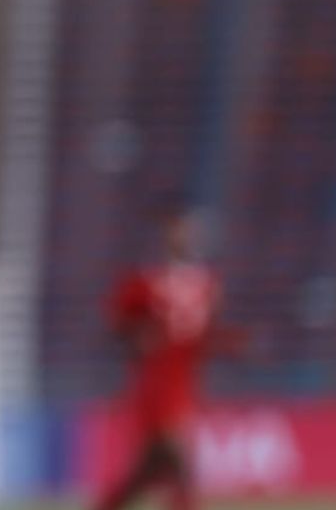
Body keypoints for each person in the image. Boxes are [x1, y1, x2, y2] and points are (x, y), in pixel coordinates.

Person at [93, 205, 232, 510]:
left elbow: (201, 338)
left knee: (148, 474)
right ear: (165, 234)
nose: (184, 236)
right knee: (180, 464)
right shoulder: (147, 281)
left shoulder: (207, 284)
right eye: (178, 229)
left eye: (189, 229)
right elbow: (119, 324)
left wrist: (233, 344)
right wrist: (137, 336)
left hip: (185, 384)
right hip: (157, 386)